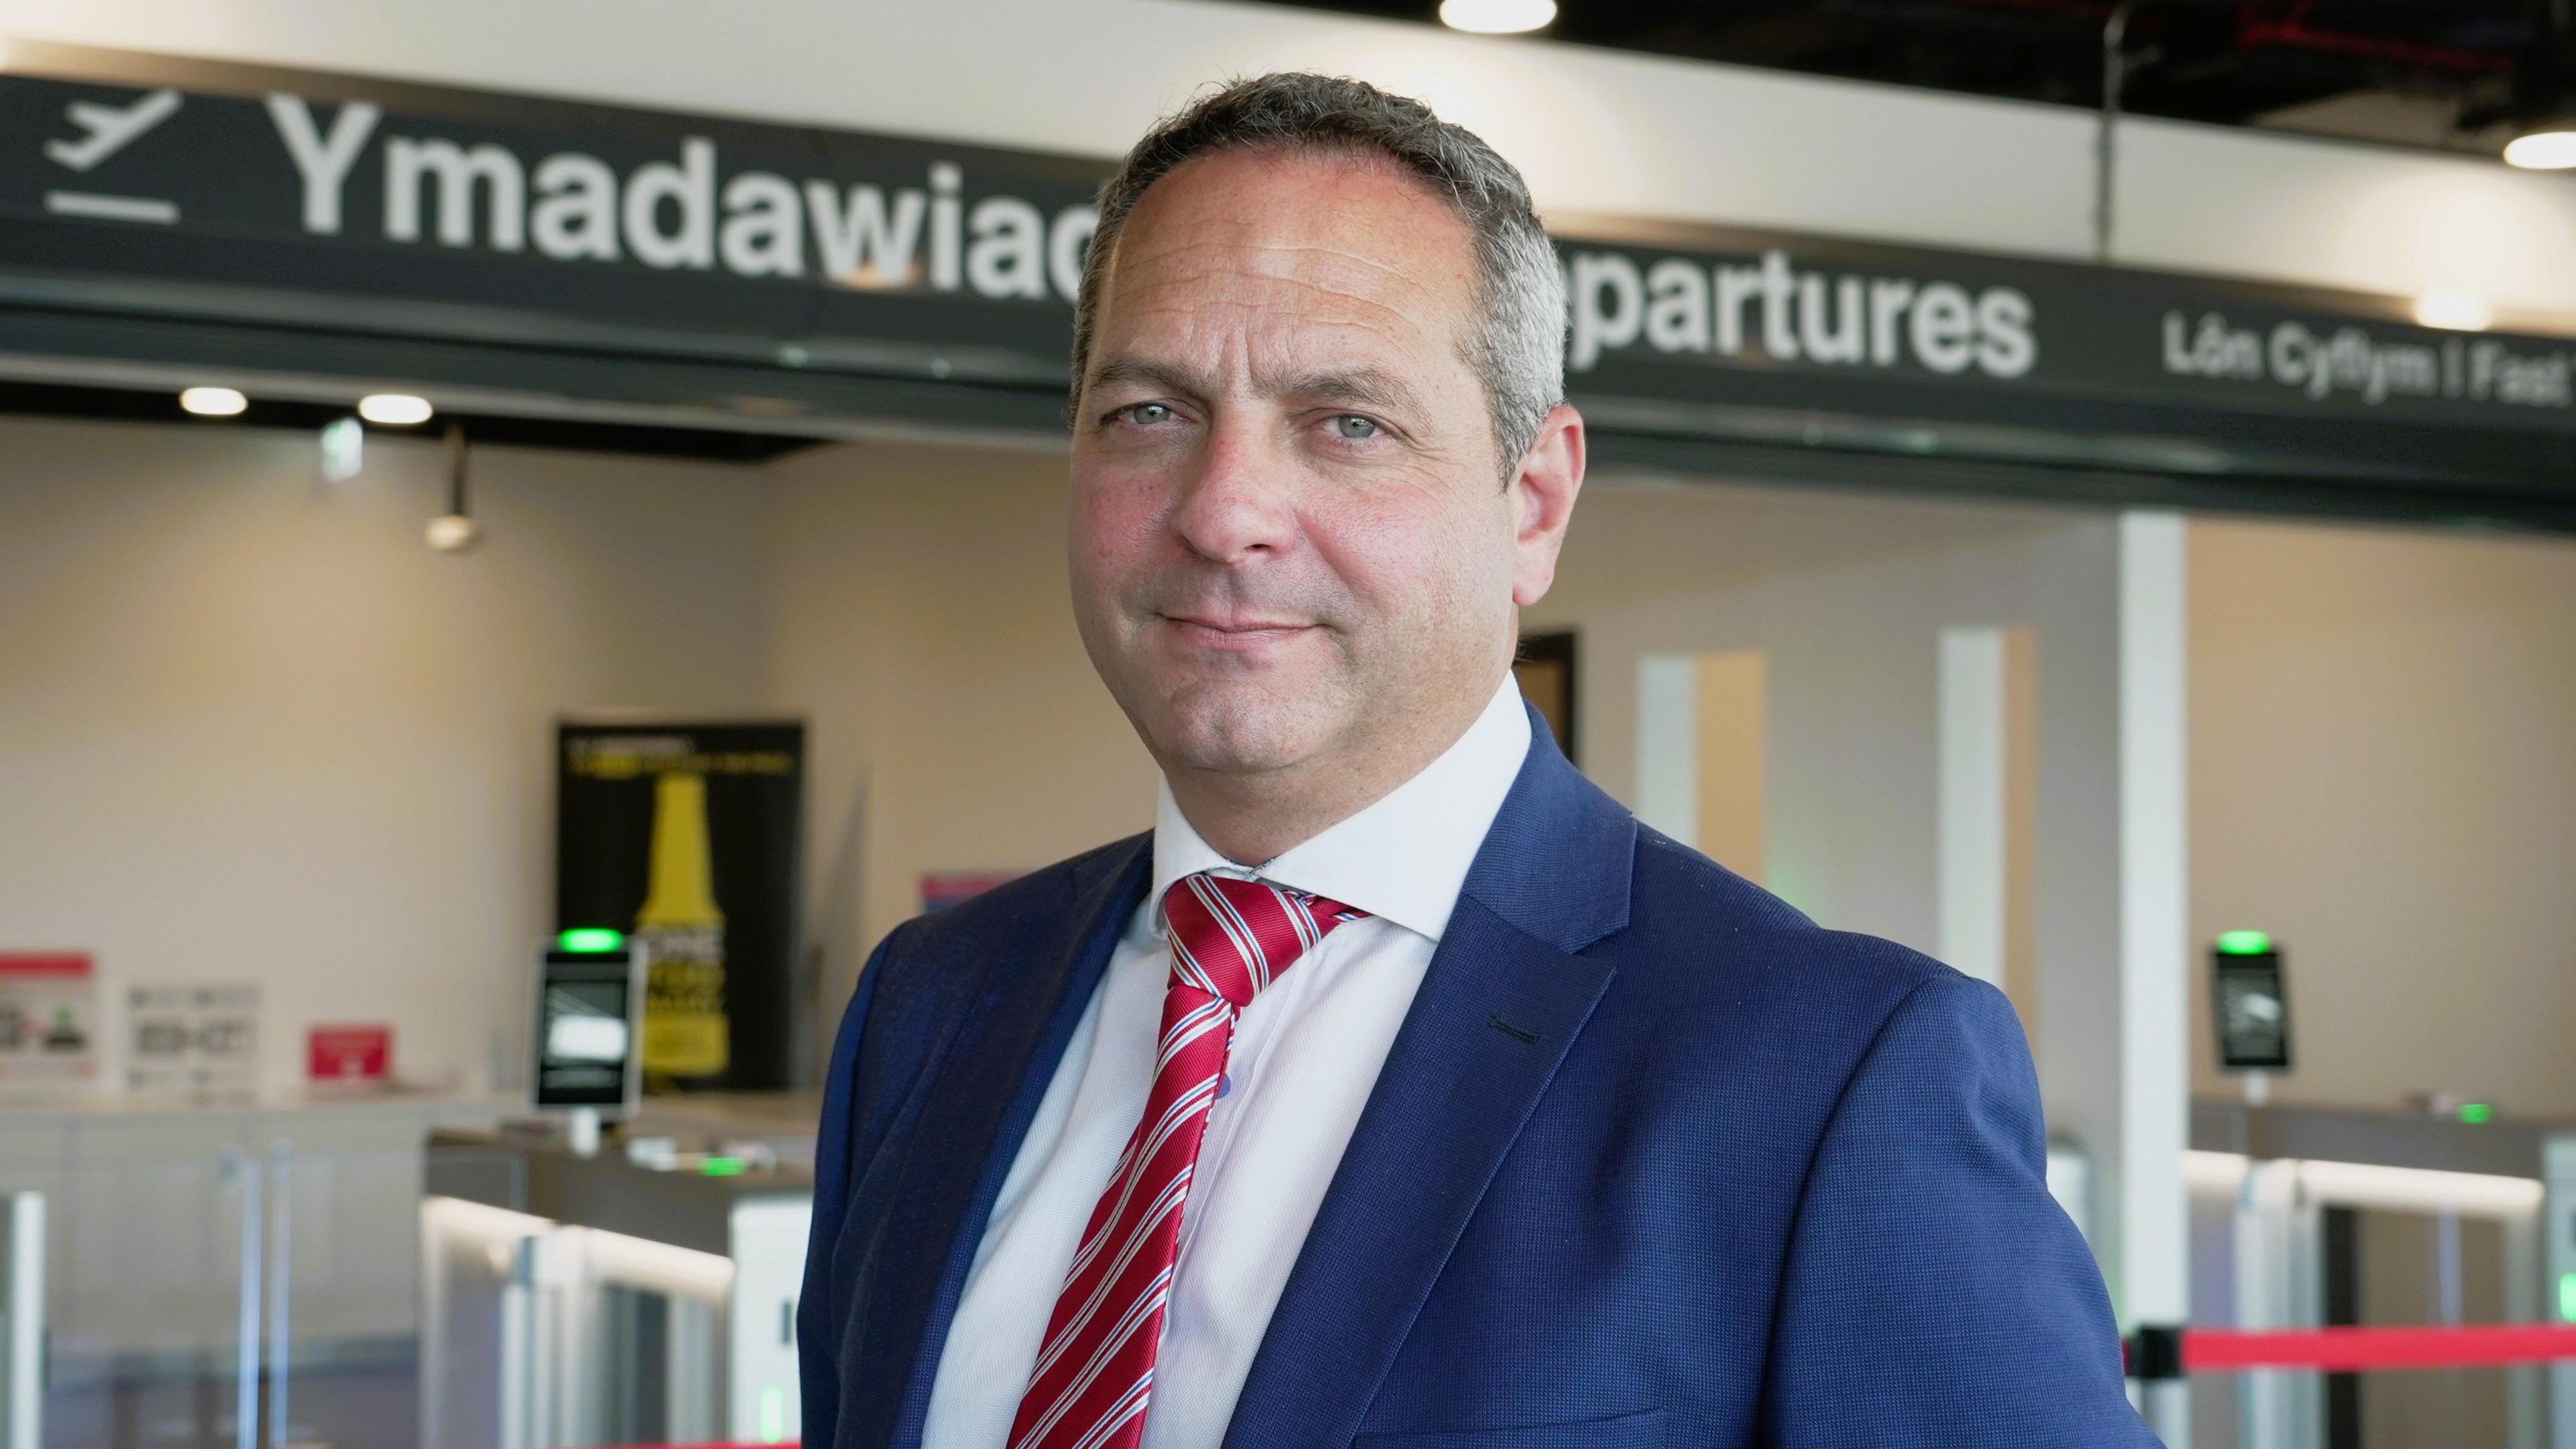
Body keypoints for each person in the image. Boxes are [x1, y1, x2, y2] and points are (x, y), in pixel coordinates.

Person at [800, 73, 2155, 1449]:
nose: (1225, 513)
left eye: (1348, 422)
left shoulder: (1826, 1078)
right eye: (1150, 411)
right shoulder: (934, 1005)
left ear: (1535, 504)